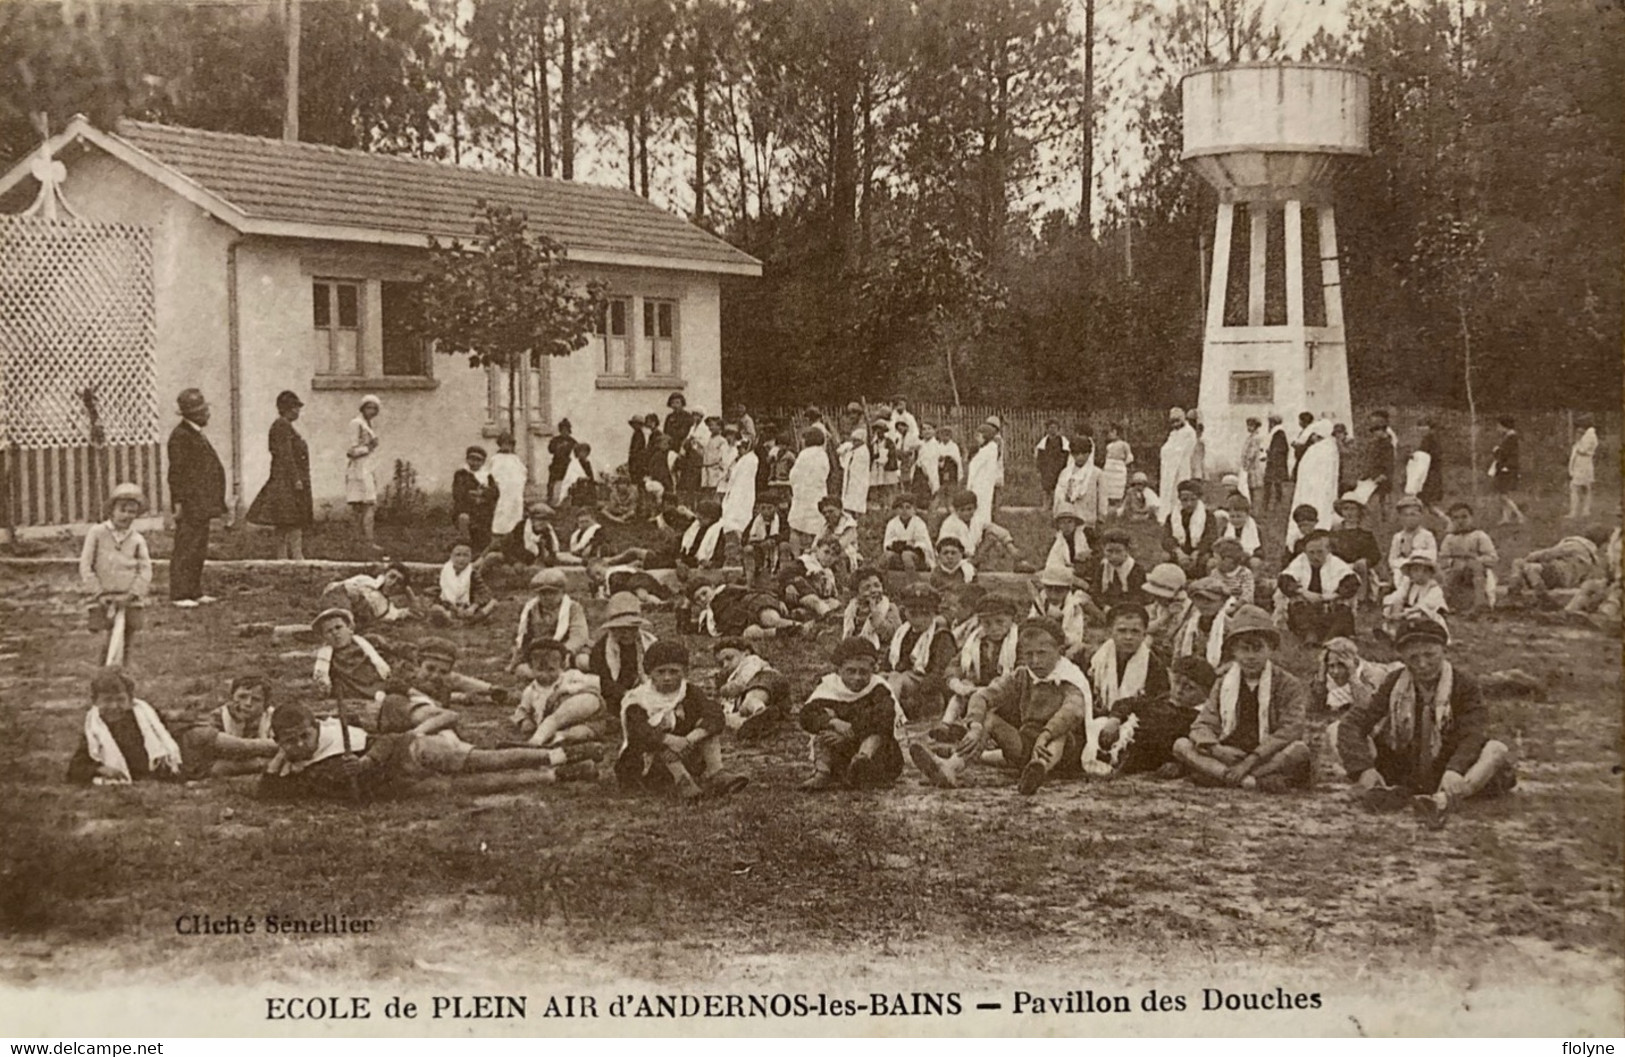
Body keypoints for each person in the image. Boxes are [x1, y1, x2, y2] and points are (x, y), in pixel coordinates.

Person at [1330, 615, 1516, 828]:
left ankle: (1441, 801)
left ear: (1443, 651)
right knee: (1335, 729)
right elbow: (1356, 721)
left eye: (1430, 655)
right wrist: (1363, 768)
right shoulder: (1394, 682)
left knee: (1496, 749)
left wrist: (1455, 768)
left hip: (1449, 766)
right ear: (1402, 657)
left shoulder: (1464, 685)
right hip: (1405, 766)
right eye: (1413, 657)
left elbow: (1473, 733)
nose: (1422, 664)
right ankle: (1380, 792)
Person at [911, 617, 1099, 794]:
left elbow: (1071, 712)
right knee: (989, 719)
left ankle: (1039, 770)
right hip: (1027, 743)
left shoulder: (1070, 679)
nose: (1035, 661)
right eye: (1029, 654)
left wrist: (1047, 733)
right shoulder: (1022, 675)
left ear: (1059, 651)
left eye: (1042, 654)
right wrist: (975, 725)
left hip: (1065, 753)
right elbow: (983, 696)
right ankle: (951, 766)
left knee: (1061, 734)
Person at [1171, 605, 1311, 792]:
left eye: (1258, 648)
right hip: (1229, 753)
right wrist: (1216, 749)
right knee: (1181, 745)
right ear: (1234, 652)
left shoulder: (1287, 683)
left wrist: (1253, 758)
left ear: (1271, 649)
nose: (1251, 656)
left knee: (1299, 749)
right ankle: (1245, 781)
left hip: (1265, 754)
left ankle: (1227, 776)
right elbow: (1203, 723)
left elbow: (1291, 729)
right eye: (1244, 649)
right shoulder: (1223, 683)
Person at [615, 640, 746, 800]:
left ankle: (716, 774)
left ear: (684, 672)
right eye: (661, 672)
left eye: (674, 672)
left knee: (707, 731)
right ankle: (683, 783)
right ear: (650, 673)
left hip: (685, 751)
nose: (667, 677)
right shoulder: (638, 699)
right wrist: (669, 740)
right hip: (647, 762)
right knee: (661, 745)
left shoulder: (689, 692)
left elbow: (715, 714)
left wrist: (691, 738)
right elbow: (640, 733)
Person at [798, 637, 906, 790]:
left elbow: (884, 718)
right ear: (839, 670)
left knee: (876, 734)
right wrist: (833, 722)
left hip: (876, 755)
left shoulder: (878, 689)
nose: (857, 677)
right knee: (823, 730)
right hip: (840, 753)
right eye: (851, 671)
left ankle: (861, 763)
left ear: (872, 670)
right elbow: (806, 716)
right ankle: (822, 774)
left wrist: (852, 731)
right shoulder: (829, 687)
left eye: (863, 672)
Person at [1097, 655, 1215, 777]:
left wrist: (1180, 765)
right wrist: (1114, 719)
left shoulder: (1199, 719)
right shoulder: (1158, 700)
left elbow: (1195, 751)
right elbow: (1126, 703)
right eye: (1176, 682)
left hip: (1150, 761)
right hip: (1121, 744)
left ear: (1205, 694)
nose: (1179, 690)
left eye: (1189, 688)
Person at [67, 667, 183, 784]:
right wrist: (101, 769)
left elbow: (168, 741)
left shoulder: (146, 719)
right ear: (95, 702)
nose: (114, 706)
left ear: (131, 701)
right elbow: (76, 768)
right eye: (107, 700)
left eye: (120, 700)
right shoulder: (95, 729)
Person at [79, 482, 152, 666]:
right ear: (112, 510)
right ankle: (102, 681)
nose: (127, 515)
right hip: (103, 598)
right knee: (105, 642)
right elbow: (86, 566)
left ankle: (122, 679)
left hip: (129, 598)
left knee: (126, 642)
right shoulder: (97, 533)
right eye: (123, 510)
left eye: (132, 512)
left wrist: (133, 593)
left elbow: (145, 568)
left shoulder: (136, 539)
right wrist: (98, 592)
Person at [165, 387, 226, 608]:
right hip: (190, 504)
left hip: (201, 504)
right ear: (191, 414)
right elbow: (177, 475)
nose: (207, 414)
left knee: (198, 546)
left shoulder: (195, 434)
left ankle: (194, 590)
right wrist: (179, 503)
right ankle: (180, 593)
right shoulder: (181, 437)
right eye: (202, 410)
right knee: (186, 546)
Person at [934, 594, 1019, 743]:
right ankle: (946, 725)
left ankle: (974, 733)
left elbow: (1018, 675)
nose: (994, 628)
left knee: (988, 710)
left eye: (1000, 622)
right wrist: (957, 684)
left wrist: (990, 690)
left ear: (1011, 619)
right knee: (960, 695)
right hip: (977, 693)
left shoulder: (1017, 644)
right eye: (987, 624)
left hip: (1003, 696)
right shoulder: (975, 643)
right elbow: (955, 665)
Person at [243, 390, 313, 560]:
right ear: (287, 409)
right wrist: (295, 478)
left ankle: (284, 556)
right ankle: (295, 556)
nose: (297, 411)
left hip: (286, 478)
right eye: (295, 407)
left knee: (285, 519)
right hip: (286, 479)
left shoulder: (285, 426)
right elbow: (286, 455)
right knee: (293, 518)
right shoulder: (281, 426)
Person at [511, 638, 611, 748]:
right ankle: (558, 738)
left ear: (562, 665)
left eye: (551, 670)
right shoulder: (530, 691)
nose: (545, 675)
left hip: (584, 715)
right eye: (540, 670)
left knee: (584, 708)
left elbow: (597, 683)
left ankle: (536, 741)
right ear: (530, 668)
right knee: (577, 733)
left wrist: (565, 690)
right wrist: (524, 720)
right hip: (565, 726)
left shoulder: (571, 676)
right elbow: (521, 710)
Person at [178, 673, 280, 778]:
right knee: (218, 768)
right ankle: (261, 764)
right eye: (242, 697)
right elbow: (214, 750)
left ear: (265, 703)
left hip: (248, 759)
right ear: (232, 697)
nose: (248, 703)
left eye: (256, 699)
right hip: (230, 760)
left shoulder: (273, 717)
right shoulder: (219, 716)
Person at [882, 582, 956, 720]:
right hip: (902, 682)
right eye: (913, 613)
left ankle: (889, 717)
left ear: (934, 613)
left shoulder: (941, 636)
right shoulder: (902, 633)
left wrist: (917, 688)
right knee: (882, 678)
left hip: (928, 689)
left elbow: (940, 672)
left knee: (898, 679)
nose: (919, 619)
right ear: (905, 612)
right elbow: (888, 661)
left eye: (925, 613)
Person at [1275, 530, 1360, 646]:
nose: (1315, 557)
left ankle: (1330, 638)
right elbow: (1285, 579)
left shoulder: (1335, 563)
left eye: (1320, 552)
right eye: (1311, 553)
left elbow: (1352, 582)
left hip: (1330, 607)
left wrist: (1332, 596)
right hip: (1307, 607)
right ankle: (1310, 636)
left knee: (1343, 611)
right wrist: (1303, 592)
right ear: (1305, 552)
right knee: (1297, 606)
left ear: (1328, 550)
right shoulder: (1300, 561)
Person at [1087, 603, 1171, 714]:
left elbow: (1157, 703)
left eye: (1135, 631)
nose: (1128, 637)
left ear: (1144, 633)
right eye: (1122, 631)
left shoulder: (1155, 665)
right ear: (1110, 631)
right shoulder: (1095, 659)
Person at [583, 592, 658, 711]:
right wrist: (625, 694)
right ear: (612, 629)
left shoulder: (649, 644)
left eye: (631, 628)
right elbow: (602, 682)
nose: (626, 634)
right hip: (615, 696)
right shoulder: (601, 649)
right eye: (620, 629)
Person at [311, 607, 391, 718]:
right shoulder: (328, 657)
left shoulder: (364, 647)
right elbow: (322, 683)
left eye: (338, 627)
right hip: (348, 695)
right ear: (324, 637)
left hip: (373, 687)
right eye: (329, 631)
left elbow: (383, 670)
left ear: (349, 629)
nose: (335, 633)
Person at [510, 568, 590, 674]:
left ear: (562, 592)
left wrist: (566, 652)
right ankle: (550, 675)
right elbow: (523, 637)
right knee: (522, 671)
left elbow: (579, 635)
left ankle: (562, 674)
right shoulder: (530, 609)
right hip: (540, 652)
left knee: (584, 661)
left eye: (552, 592)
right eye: (543, 593)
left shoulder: (573, 608)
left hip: (567, 651)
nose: (548, 597)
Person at [1510, 525, 1612, 605]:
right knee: (1531, 569)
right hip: (1566, 579)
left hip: (1558, 573)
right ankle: (1527, 591)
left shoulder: (1575, 545)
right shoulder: (1592, 555)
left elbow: (1550, 553)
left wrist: (1530, 557)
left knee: (1522, 564)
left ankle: (1521, 593)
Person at [714, 638, 792, 741]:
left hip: (767, 681)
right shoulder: (731, 677)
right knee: (736, 712)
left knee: (751, 699)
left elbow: (743, 681)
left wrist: (728, 688)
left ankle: (759, 710)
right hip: (772, 702)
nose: (725, 665)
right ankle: (749, 723)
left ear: (746, 653)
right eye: (721, 663)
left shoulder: (750, 660)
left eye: (729, 658)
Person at [1312, 637, 1401, 714]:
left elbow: (1366, 707)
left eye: (1341, 665)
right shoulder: (1329, 674)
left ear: (1354, 662)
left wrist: (1353, 676)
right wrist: (1321, 677)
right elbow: (1314, 709)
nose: (1335, 671)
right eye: (1331, 665)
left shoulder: (1372, 674)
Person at [1439, 503, 1499, 615]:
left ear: (1471, 518)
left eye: (1464, 517)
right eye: (1455, 518)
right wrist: (1453, 562)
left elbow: (1493, 558)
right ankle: (1446, 603)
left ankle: (1480, 604)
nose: (1460, 521)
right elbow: (1442, 559)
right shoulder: (1450, 538)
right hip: (1455, 572)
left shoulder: (1479, 536)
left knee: (1476, 568)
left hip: (1477, 572)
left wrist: (1475, 560)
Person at [687, 581, 802, 639]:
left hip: (753, 605)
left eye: (704, 593)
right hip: (743, 623)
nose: (703, 598)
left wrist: (777, 599)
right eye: (698, 599)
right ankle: (789, 630)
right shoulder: (707, 617)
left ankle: (801, 627)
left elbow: (749, 590)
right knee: (752, 633)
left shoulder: (726, 590)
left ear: (712, 587)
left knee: (769, 619)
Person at [320, 564, 416, 632]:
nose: (393, 583)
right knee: (348, 591)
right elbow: (337, 588)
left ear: (401, 589)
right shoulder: (365, 580)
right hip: (339, 601)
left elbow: (416, 612)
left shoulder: (389, 609)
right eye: (392, 577)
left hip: (356, 618)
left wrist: (408, 591)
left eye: (399, 582)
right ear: (384, 575)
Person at [1171, 576, 1240, 667]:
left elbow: (1236, 661)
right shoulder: (1188, 627)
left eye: (1210, 600)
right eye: (1199, 598)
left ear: (1222, 602)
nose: (1204, 603)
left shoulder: (1230, 628)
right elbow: (1177, 657)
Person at [344, 395, 383, 550]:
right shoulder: (356, 423)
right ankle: (364, 541)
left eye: (375, 408)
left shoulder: (367, 425)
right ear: (362, 408)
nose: (371, 411)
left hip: (367, 468)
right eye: (368, 407)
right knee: (363, 505)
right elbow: (351, 451)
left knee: (367, 505)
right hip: (358, 469)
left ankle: (364, 541)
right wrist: (369, 447)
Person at [1382, 549, 1448, 640]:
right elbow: (1398, 595)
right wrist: (1391, 607)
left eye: (1424, 571)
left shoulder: (1433, 588)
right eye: (1415, 570)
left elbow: (1425, 606)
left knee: (1416, 619)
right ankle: (1394, 632)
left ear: (1430, 573)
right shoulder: (1409, 584)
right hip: (1408, 614)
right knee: (1396, 603)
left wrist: (1405, 613)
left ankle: (1410, 635)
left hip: (1427, 617)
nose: (1419, 574)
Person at [1289, 417, 1340, 535]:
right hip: (1321, 488)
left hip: (1313, 488)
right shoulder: (1330, 447)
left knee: (1316, 506)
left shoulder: (1319, 449)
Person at [1330, 494, 1384, 601]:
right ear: (1341, 512)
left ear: (1359, 511)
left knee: (1360, 566)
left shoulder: (1365, 533)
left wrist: (1365, 561)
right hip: (1339, 565)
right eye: (1346, 509)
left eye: (1353, 509)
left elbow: (1375, 555)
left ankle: (1360, 598)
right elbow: (1330, 550)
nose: (1349, 513)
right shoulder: (1335, 532)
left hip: (1358, 567)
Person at [430, 542, 496, 626]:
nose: (461, 559)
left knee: (493, 603)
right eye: (458, 555)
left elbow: (485, 593)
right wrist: (453, 607)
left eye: (465, 555)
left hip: (467, 608)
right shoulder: (444, 573)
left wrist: (473, 607)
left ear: (470, 558)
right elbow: (436, 593)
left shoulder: (472, 574)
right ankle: (456, 621)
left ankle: (464, 622)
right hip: (449, 608)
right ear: (451, 557)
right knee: (436, 609)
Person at [779, 536, 844, 619]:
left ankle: (804, 614)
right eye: (826, 552)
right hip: (801, 595)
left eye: (833, 555)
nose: (828, 558)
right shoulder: (805, 562)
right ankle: (829, 618)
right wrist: (788, 585)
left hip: (817, 598)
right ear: (817, 549)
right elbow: (784, 574)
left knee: (835, 603)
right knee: (815, 601)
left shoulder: (828, 572)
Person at [1161, 480, 1218, 573]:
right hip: (1180, 552)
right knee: (1165, 556)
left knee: (1208, 560)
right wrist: (1178, 552)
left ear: (1198, 499)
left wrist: (1197, 552)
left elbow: (1210, 537)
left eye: (1193, 499)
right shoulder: (1172, 517)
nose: (1189, 504)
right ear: (1179, 499)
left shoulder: (1208, 516)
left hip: (1200, 552)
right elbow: (1166, 538)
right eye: (1185, 500)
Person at [1029, 565, 1090, 651]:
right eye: (1049, 589)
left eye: (1059, 590)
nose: (1053, 595)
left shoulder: (1074, 608)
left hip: (1063, 647)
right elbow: (1031, 621)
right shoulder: (1041, 601)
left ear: (1068, 589)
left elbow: (1075, 638)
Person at [787, 428, 830, 550]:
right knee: (816, 528)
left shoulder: (804, 454)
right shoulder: (823, 455)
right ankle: (813, 556)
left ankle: (796, 558)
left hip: (802, 495)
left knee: (796, 527)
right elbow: (825, 474)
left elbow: (793, 476)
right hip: (817, 495)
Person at [1388, 495, 1439, 596]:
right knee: (1401, 575)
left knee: (1419, 574)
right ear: (1400, 517)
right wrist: (1404, 564)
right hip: (1403, 569)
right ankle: (1402, 596)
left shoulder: (1427, 535)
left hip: (1422, 568)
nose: (1409, 518)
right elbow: (1392, 559)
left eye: (1413, 514)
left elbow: (1433, 555)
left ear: (1420, 516)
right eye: (1405, 515)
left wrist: (1415, 556)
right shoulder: (1398, 537)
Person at [450, 446, 497, 554]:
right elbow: (458, 493)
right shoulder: (461, 474)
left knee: (483, 540)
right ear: (467, 460)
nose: (474, 463)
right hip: (466, 509)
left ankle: (481, 548)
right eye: (472, 459)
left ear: (483, 462)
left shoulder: (487, 476)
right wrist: (475, 496)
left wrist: (482, 493)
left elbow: (495, 493)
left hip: (483, 511)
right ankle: (466, 543)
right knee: (464, 518)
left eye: (478, 460)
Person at [842, 566, 901, 648]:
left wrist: (876, 616)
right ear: (857, 594)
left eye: (877, 586)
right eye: (867, 588)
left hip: (879, 650)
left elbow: (894, 634)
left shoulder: (889, 608)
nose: (873, 590)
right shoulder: (852, 609)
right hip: (854, 649)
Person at [1054, 437, 1106, 528]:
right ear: (1072, 454)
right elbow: (1059, 494)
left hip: (1088, 518)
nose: (1080, 457)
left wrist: (1101, 517)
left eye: (1084, 454)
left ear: (1089, 454)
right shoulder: (1066, 473)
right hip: (1069, 519)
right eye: (1077, 454)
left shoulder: (1096, 473)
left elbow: (1102, 496)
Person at [487, 432, 529, 542]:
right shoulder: (496, 458)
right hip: (503, 489)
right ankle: (499, 534)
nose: (506, 447)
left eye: (509, 444)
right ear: (500, 445)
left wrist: (519, 482)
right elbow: (493, 473)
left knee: (516, 509)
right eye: (504, 444)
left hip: (515, 489)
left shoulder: (515, 458)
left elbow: (522, 471)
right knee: (503, 510)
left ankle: (515, 534)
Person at [741, 496, 788, 584]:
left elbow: (785, 535)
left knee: (784, 546)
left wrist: (774, 540)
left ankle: (783, 579)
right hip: (759, 551)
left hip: (775, 549)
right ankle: (750, 582)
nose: (766, 511)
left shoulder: (781, 521)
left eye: (769, 508)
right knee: (748, 549)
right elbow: (744, 538)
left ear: (775, 508)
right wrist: (760, 543)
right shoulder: (755, 521)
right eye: (763, 508)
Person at [882, 494, 936, 572]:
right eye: (901, 507)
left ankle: (911, 580)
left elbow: (921, 544)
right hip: (897, 554)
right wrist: (905, 544)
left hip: (917, 557)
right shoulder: (892, 523)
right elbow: (888, 543)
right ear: (896, 510)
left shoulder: (919, 523)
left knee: (906, 556)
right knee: (887, 556)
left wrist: (905, 546)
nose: (904, 511)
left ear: (914, 509)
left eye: (908, 507)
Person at [1489, 416, 1526, 526]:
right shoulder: (1509, 437)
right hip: (1507, 468)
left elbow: (1504, 454)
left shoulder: (1511, 438)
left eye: (1499, 426)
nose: (1497, 428)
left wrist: (1496, 450)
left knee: (1503, 495)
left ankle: (1519, 515)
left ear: (1504, 426)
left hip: (1507, 468)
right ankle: (1506, 518)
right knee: (1503, 494)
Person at [1364, 412, 1398, 519]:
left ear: (1382, 430)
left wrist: (1384, 474)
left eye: (1376, 431)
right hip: (1375, 473)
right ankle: (1380, 515)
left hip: (1382, 474)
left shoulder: (1387, 445)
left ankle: (1385, 515)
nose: (1374, 434)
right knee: (1376, 496)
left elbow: (1389, 462)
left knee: (1382, 496)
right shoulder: (1377, 443)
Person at [965, 424, 1002, 522]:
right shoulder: (989, 449)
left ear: (986, 436)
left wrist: (969, 486)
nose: (976, 439)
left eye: (979, 436)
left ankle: (979, 531)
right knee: (983, 508)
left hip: (980, 485)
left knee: (979, 509)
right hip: (984, 484)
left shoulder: (987, 451)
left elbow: (974, 469)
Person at [1411, 418, 1446, 522]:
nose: (1420, 429)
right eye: (1419, 427)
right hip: (1429, 474)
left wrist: (1414, 457)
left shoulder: (1430, 440)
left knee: (1427, 502)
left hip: (1429, 475)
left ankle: (1446, 520)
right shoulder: (1430, 439)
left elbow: (1426, 457)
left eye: (1423, 427)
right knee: (1425, 502)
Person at [1159, 408, 1198, 496]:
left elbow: (1185, 449)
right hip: (1168, 466)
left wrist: (1171, 452)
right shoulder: (1173, 433)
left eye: (1177, 421)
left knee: (1179, 485)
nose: (1175, 424)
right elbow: (1166, 448)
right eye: (1173, 421)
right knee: (1167, 488)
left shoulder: (1189, 432)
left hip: (1181, 464)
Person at [1218, 492, 1264, 567]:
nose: (1235, 520)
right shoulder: (1226, 529)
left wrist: (1253, 555)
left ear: (1247, 515)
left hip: (1248, 557)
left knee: (1255, 562)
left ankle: (1252, 578)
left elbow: (1259, 550)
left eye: (1239, 516)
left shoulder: (1255, 529)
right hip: (1230, 557)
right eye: (1232, 517)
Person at [1568, 413, 1599, 520]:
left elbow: (1583, 450)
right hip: (1583, 464)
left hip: (1583, 464)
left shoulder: (1589, 435)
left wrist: (1577, 443)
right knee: (1584, 488)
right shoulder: (1588, 435)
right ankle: (1585, 511)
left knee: (1576, 487)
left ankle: (1575, 512)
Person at [836, 426, 871, 518]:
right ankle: (850, 511)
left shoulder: (863, 451)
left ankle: (856, 513)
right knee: (849, 495)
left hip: (859, 478)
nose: (854, 443)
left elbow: (858, 467)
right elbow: (843, 459)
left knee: (857, 495)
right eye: (853, 440)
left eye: (857, 441)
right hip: (851, 477)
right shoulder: (853, 449)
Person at [1211, 538, 1255, 607]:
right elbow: (1212, 591)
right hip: (1220, 606)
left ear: (1228, 560)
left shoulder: (1245, 573)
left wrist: (1235, 606)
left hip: (1239, 608)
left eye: (1216, 558)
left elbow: (1248, 596)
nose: (1213, 561)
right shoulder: (1215, 573)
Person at [1034, 420, 1071, 500]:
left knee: (1059, 486)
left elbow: (1066, 453)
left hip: (1060, 467)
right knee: (1047, 487)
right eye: (1050, 428)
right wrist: (1040, 468)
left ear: (1058, 429)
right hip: (1047, 467)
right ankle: (1047, 504)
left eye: (1054, 428)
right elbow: (1039, 456)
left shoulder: (1062, 440)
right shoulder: (1044, 441)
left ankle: (1058, 504)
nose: (1052, 430)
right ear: (1047, 429)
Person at [1102, 423, 1135, 510]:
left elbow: (1130, 457)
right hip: (1109, 468)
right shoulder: (1109, 446)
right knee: (1108, 486)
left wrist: (1122, 464)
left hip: (1118, 468)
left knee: (1117, 487)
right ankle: (1109, 505)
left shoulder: (1124, 444)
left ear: (1115, 432)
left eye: (1111, 432)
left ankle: (1118, 505)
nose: (1109, 435)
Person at [1263, 413, 1290, 511]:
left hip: (1276, 463)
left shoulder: (1279, 433)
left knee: (1271, 483)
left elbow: (1279, 449)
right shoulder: (1276, 433)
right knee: (1272, 483)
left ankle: (1273, 503)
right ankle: (1271, 503)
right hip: (1275, 462)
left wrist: (1270, 455)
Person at [545, 419, 576, 505]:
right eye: (562, 430)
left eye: (566, 430)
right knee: (552, 482)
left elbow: (576, 453)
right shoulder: (555, 440)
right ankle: (550, 498)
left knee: (569, 482)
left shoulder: (572, 441)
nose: (564, 432)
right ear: (560, 430)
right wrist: (558, 447)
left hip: (567, 465)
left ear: (569, 431)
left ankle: (568, 499)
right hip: (556, 464)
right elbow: (550, 450)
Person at [1237, 418, 1263, 499]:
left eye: (1251, 426)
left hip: (1252, 465)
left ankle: (1252, 503)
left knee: (1252, 485)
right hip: (1248, 465)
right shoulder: (1250, 437)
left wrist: (1247, 463)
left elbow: (1252, 452)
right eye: (1248, 425)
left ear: (1255, 427)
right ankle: (1249, 501)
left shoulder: (1255, 438)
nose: (1248, 427)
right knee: (1247, 485)